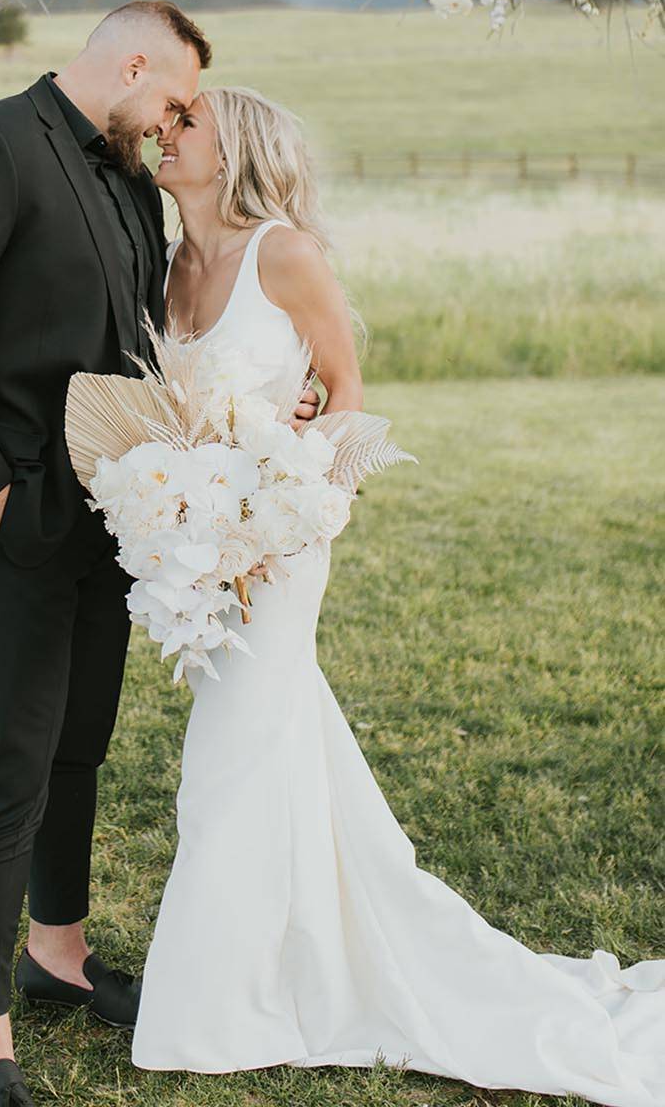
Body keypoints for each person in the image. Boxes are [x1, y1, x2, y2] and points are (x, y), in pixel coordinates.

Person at [130, 84, 665, 1106]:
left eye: (185, 121)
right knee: (275, 750)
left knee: (226, 764)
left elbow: (346, 396)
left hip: (274, 548)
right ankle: (293, 963)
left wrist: (282, 505)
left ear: (233, 147)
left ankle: (208, 1013)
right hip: (200, 547)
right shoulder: (170, 264)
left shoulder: (281, 253)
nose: (165, 130)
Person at [0, 5, 323, 1107]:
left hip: (118, 515)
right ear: (131, 63)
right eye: (172, 101)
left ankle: (56, 954)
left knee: (79, 742)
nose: (173, 128)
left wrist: (257, 412)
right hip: (10, 515)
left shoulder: (124, 179)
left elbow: (143, 343)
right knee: (7, 761)